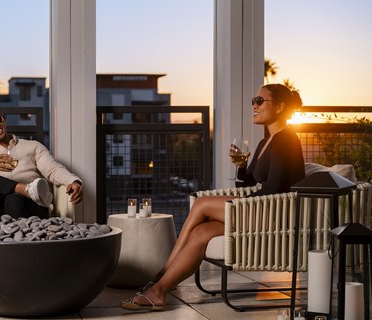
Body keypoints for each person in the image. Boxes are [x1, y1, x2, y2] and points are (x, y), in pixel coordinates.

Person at [120, 83, 305, 311]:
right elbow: (250, 182)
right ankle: (159, 291)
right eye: (253, 101)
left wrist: (236, 204)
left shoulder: (287, 140)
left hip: (276, 216)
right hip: (260, 209)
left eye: (259, 101)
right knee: (201, 232)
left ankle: (162, 271)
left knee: (201, 203)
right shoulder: (264, 142)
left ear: (280, 107)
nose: (254, 106)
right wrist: (241, 165)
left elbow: (274, 189)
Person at [0, 104, 83, 224]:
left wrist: (72, 181)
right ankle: (26, 189)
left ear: (4, 119)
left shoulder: (32, 146)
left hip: (29, 207)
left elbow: (52, 169)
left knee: (14, 199)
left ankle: (25, 195)